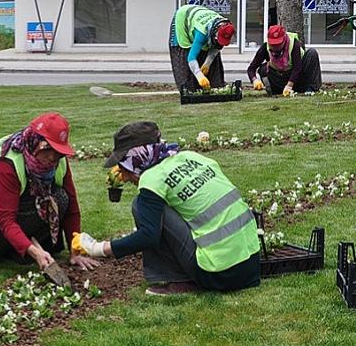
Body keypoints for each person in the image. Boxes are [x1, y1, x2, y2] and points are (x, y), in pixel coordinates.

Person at [73, 121, 260, 296]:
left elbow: (148, 235)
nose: (125, 175)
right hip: (251, 265)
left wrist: (98, 248)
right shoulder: (192, 157)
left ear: (137, 157)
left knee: (141, 206)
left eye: (124, 164)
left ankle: (179, 281)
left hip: (218, 275)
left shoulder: (152, 179)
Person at [0, 113, 100, 272]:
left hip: (15, 206)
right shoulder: (5, 164)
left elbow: (71, 205)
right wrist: (35, 252)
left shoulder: (59, 161)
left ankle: (16, 251)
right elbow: (5, 219)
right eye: (48, 149)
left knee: (60, 198)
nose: (53, 158)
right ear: (35, 142)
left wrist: (75, 248)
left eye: (58, 152)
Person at [169, 4, 236, 92]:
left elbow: (216, 47)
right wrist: (198, 74)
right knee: (186, 55)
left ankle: (215, 86)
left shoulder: (226, 27)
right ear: (216, 33)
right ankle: (190, 89)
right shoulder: (202, 33)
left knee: (211, 57)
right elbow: (191, 57)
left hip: (200, 18)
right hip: (182, 18)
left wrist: (207, 63)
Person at [247, 25, 322, 96]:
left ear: (284, 39)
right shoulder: (265, 47)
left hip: (298, 77)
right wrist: (254, 80)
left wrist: (289, 85)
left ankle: (310, 88)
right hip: (280, 79)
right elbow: (251, 69)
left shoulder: (294, 44)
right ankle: (273, 90)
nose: (275, 47)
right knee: (263, 68)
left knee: (312, 53)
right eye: (272, 44)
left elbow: (297, 68)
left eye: (278, 44)